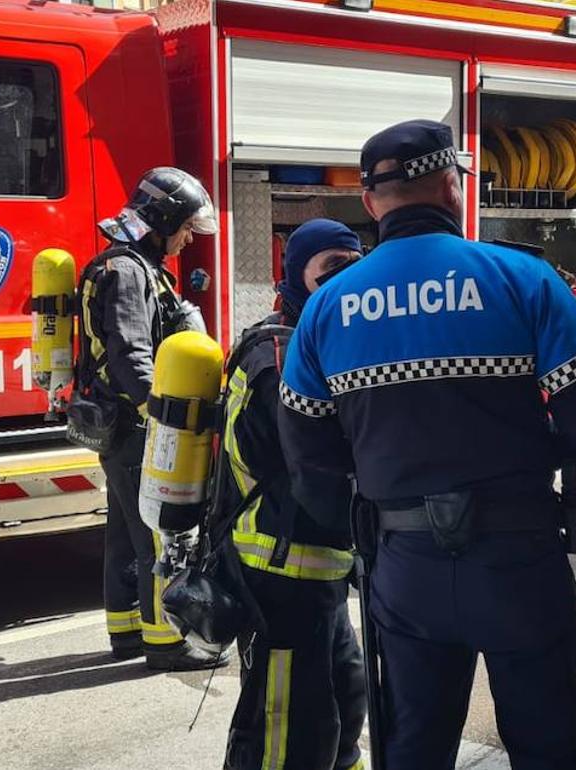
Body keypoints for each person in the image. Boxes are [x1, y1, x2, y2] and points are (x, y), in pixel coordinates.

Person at [277, 119, 576, 769]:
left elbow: (308, 455)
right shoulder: (521, 278)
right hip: (520, 556)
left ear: (372, 202)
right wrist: (538, 456)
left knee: (414, 744)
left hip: (403, 567)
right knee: (548, 745)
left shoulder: (328, 309)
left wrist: (374, 500)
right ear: (450, 186)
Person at [221, 219, 366, 770]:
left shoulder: (309, 337)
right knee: (286, 722)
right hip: (282, 568)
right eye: (329, 266)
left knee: (344, 700)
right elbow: (312, 469)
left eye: (353, 263)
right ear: (296, 275)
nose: (344, 278)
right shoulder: (281, 358)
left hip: (318, 566)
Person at [77, 166, 228, 671]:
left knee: (125, 532)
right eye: (185, 227)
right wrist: (168, 420)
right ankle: (164, 642)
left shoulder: (131, 265)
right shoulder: (125, 271)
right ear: (163, 219)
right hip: (136, 425)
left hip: (120, 425)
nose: (189, 238)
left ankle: (125, 633)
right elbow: (130, 355)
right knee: (160, 534)